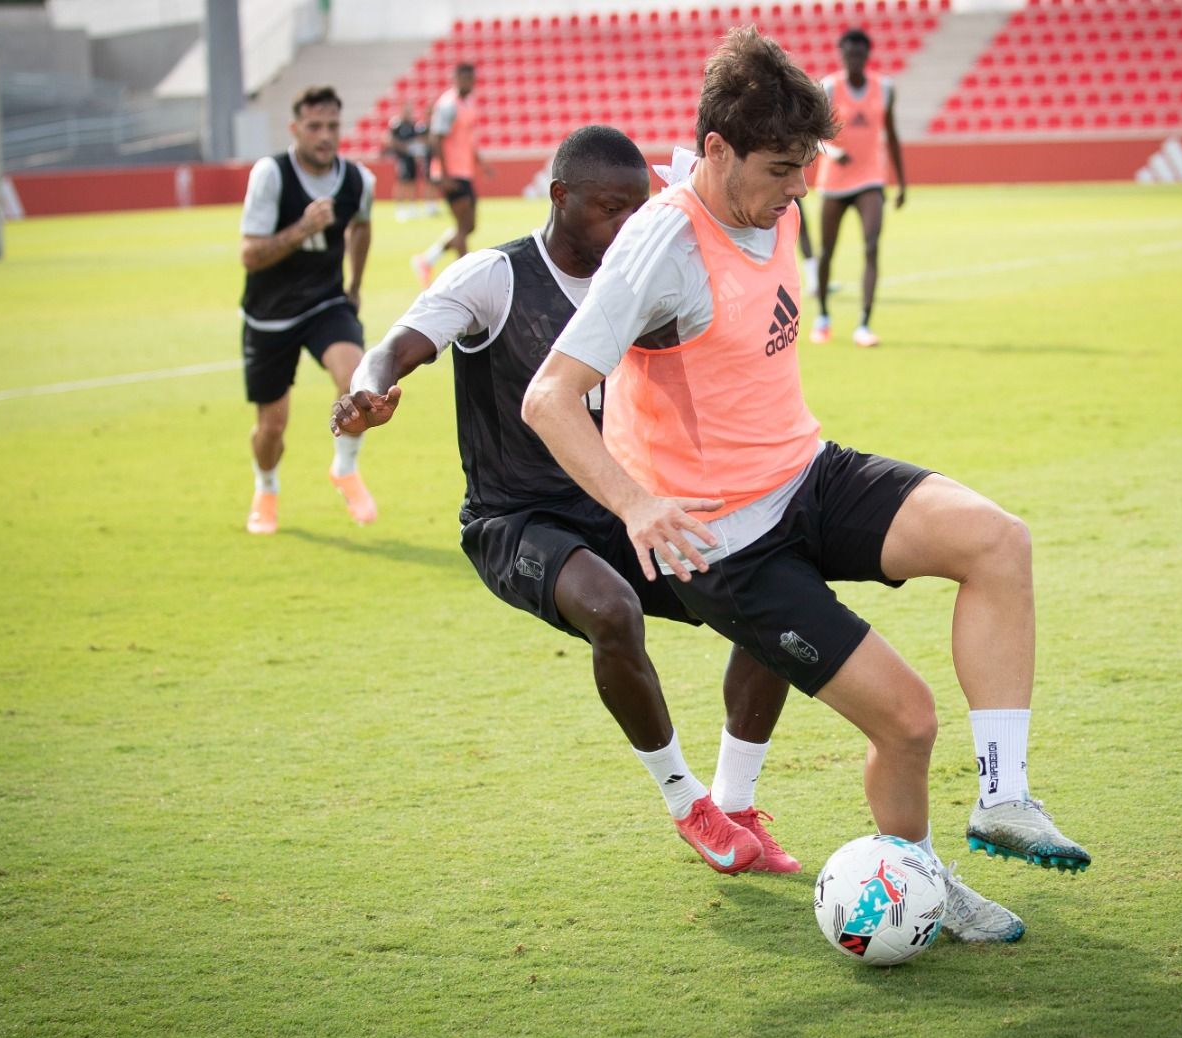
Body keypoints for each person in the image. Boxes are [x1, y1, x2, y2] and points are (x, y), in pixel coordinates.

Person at [524, 29, 1093, 943]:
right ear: (717, 152)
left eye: (807, 164)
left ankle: (1005, 796)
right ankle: (927, 886)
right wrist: (634, 502)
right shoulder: (658, 248)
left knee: (998, 539)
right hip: (730, 544)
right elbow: (549, 398)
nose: (801, 190)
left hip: (807, 474)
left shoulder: (759, 184)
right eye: (785, 168)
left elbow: (768, 109)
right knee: (906, 721)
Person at [331, 126, 798, 876]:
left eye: (634, 209)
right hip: (514, 522)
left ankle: (737, 800)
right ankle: (689, 805)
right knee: (612, 610)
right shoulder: (493, 275)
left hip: (616, 504)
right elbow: (399, 344)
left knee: (778, 591)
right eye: (608, 209)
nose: (624, 227)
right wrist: (367, 388)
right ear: (560, 197)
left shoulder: (640, 281)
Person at [239, 85, 378, 535]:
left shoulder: (358, 180)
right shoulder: (271, 175)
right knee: (271, 428)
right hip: (270, 314)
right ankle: (266, 487)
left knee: (359, 382)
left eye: (332, 126)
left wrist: (354, 285)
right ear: (295, 128)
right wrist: (302, 228)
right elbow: (249, 255)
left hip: (326, 303)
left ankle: (344, 467)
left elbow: (361, 226)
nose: (324, 136)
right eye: (314, 127)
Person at [809, 28, 907, 349]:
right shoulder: (830, 88)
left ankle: (864, 323)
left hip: (870, 179)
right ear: (842, 55)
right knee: (827, 252)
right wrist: (834, 151)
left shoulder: (884, 89)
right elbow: (816, 137)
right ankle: (823, 317)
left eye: (859, 53)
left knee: (871, 244)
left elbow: (891, 135)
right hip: (834, 181)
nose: (854, 59)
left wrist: (902, 181)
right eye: (849, 53)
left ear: (867, 56)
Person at [413, 63, 493, 287]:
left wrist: (481, 164)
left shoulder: (468, 104)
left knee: (469, 226)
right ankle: (466, 279)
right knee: (462, 227)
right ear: (456, 79)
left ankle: (427, 259)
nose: (469, 83)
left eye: (471, 78)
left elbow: (467, 140)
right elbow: (436, 138)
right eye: (464, 78)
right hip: (451, 174)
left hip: (464, 171)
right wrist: (444, 174)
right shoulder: (448, 105)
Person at [387, 104, 433, 220]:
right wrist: (404, 147)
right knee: (402, 182)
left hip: (412, 158)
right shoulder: (397, 125)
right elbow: (390, 140)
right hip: (402, 158)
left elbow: (418, 141)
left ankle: (412, 207)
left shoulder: (413, 126)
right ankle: (400, 208)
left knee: (412, 182)